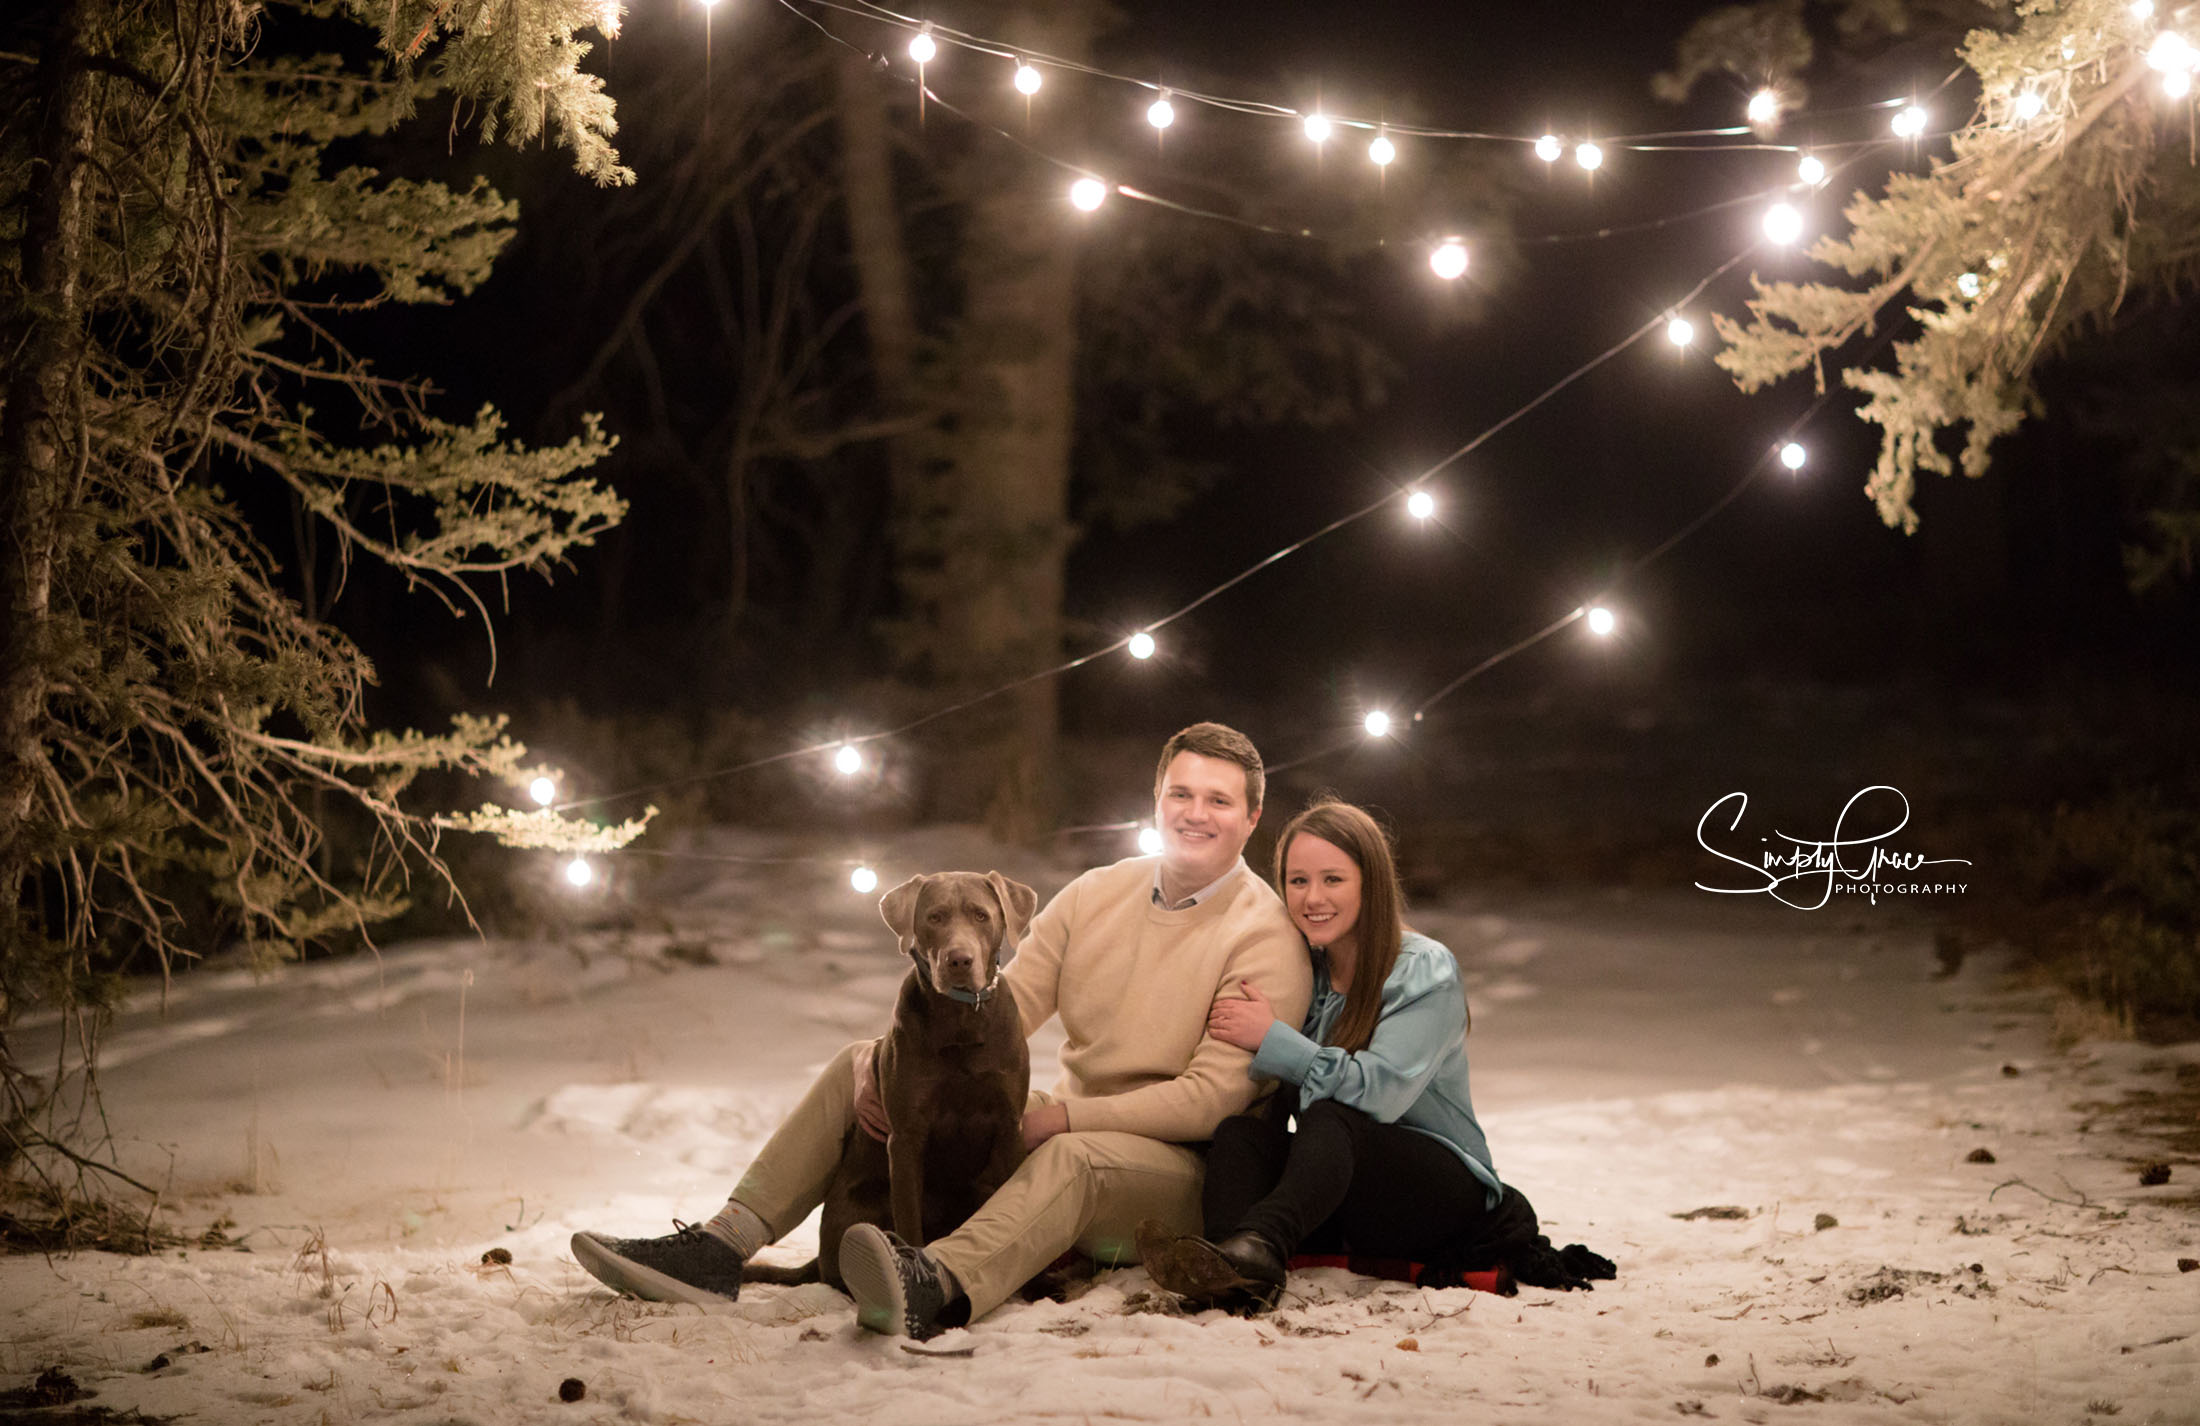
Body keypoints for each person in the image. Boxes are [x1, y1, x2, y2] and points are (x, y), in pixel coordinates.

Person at [570, 722, 1313, 1339]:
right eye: (1180, 793)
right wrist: (889, 1060)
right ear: (1156, 801)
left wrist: (1061, 1117)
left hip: (1181, 1172)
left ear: (1251, 819)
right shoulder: (1099, 893)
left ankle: (937, 1278)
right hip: (1070, 1125)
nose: (1195, 812)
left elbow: (1210, 1101)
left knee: (1076, 1155)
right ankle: (719, 1245)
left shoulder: (1263, 933)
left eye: (1220, 800)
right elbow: (998, 1002)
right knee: (860, 1059)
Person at [1143, 798, 1615, 1311]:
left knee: (1332, 1117)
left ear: (1371, 884)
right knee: (1240, 1135)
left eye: (1333, 880)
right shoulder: (1308, 973)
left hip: (1441, 1197)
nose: (1312, 897)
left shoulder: (1424, 968)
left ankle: (1261, 1243)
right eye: (1297, 881)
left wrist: (1275, 1039)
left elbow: (1381, 1094)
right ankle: (1229, 1265)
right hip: (1356, 1198)